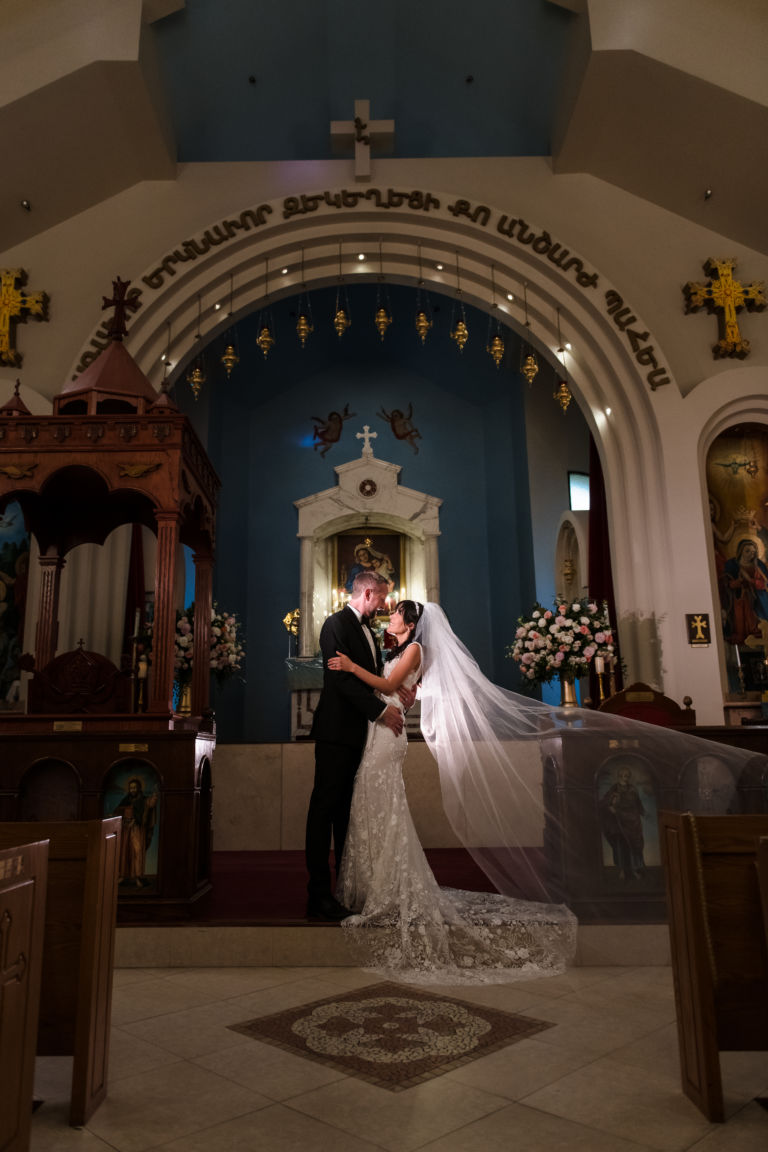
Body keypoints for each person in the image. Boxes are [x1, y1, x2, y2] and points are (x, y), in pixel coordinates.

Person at [328, 600, 578, 983]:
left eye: (395, 614)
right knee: (372, 802)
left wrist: (350, 667)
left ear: (411, 624)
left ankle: (387, 885)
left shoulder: (414, 649)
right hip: (379, 730)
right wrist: (405, 693)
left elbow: (390, 685)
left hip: (387, 734)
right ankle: (374, 883)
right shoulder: (404, 649)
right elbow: (405, 689)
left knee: (383, 803)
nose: (389, 617)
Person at [306, 571, 411, 921]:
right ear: (367, 594)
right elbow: (340, 682)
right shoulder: (334, 625)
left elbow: (370, 679)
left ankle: (344, 888)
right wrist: (381, 711)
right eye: (380, 598)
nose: (383, 605)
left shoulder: (368, 630)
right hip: (337, 733)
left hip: (360, 736)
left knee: (346, 815)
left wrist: (395, 694)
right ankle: (317, 894)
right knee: (324, 809)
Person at [113, 777, 157, 887]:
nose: (133, 790)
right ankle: (123, 876)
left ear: (139, 788)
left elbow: (150, 804)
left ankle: (138, 877)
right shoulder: (126, 799)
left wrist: (155, 796)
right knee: (124, 852)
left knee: (137, 852)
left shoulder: (143, 800)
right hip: (126, 828)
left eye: (135, 787)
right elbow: (118, 810)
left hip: (137, 829)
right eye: (131, 788)